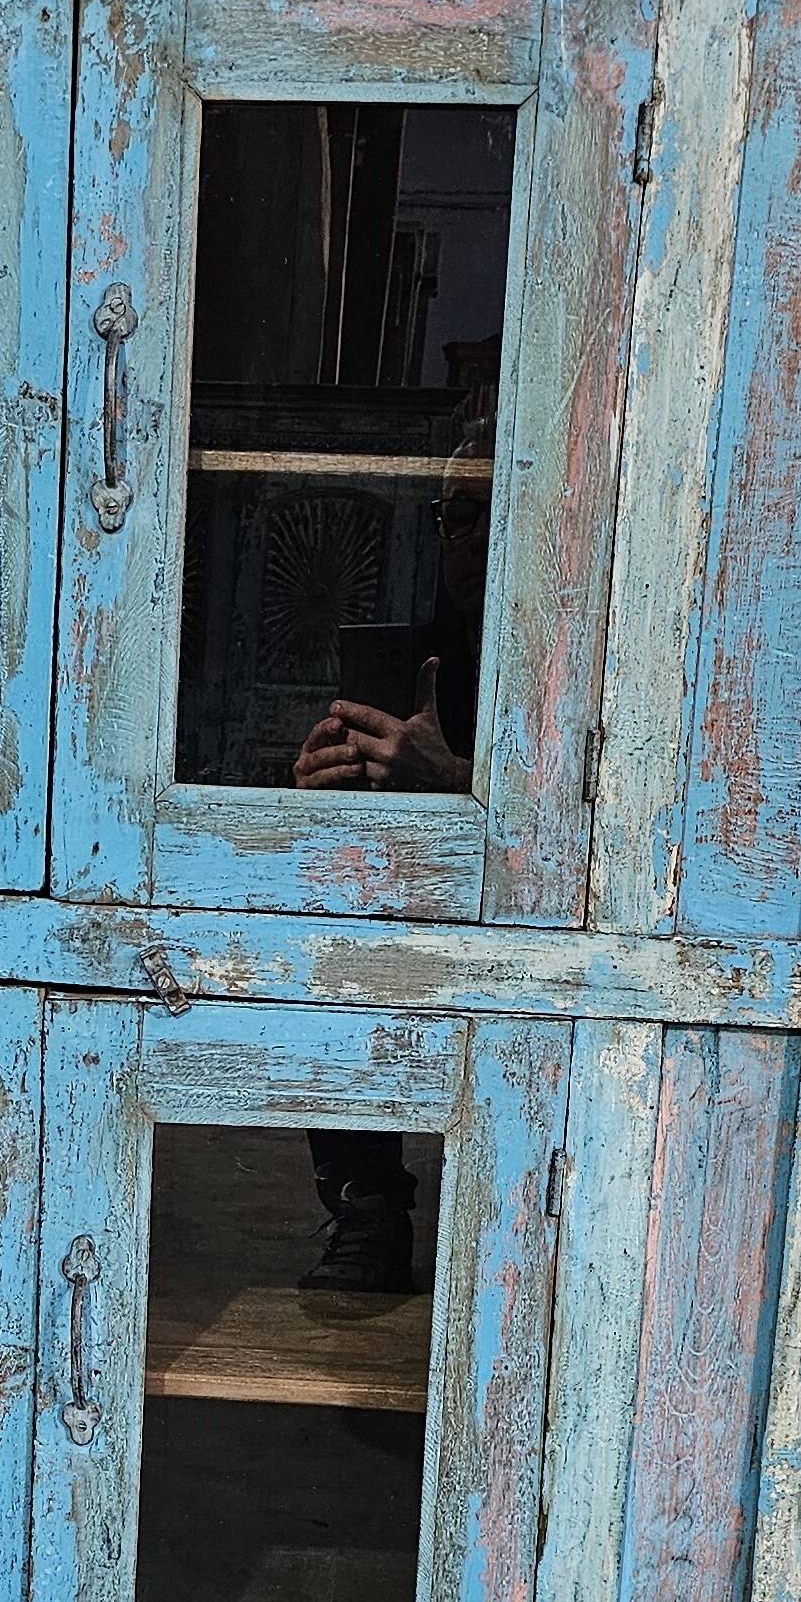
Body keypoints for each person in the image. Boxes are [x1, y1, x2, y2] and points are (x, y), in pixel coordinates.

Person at [295, 416, 492, 1293]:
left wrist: (454, 778)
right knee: (331, 913)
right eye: (455, 516)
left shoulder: (596, 639)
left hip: (536, 911)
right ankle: (366, 1206)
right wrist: (323, 781)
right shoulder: (422, 651)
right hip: (424, 903)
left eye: (492, 511)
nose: (472, 539)